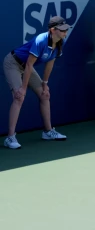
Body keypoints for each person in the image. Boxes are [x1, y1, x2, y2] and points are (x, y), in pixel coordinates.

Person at [3, 15, 69, 149]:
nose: (64, 32)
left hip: (27, 66)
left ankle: (48, 131)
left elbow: (49, 64)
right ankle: (10, 138)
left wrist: (45, 84)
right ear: (52, 30)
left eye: (65, 29)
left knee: (45, 95)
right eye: (61, 30)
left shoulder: (59, 43)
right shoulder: (41, 40)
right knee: (19, 97)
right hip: (13, 63)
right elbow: (28, 65)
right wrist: (23, 88)